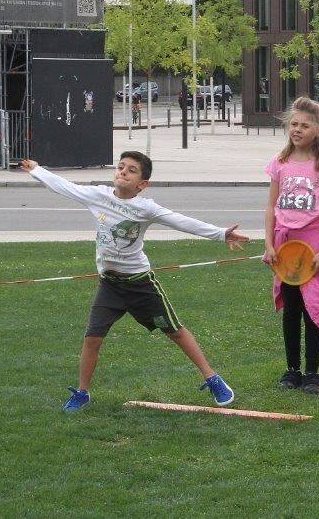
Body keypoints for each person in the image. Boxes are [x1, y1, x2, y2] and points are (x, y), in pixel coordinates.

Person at [19, 152, 250, 412]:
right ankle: (82, 393)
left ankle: (213, 378)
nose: (123, 172)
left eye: (131, 170)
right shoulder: (98, 196)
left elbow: (180, 221)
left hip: (141, 285)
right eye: (120, 167)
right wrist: (37, 170)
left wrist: (220, 234)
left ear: (142, 184)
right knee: (92, 338)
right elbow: (65, 187)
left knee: (174, 331)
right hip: (110, 285)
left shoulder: (146, 208)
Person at [263, 97, 319, 395]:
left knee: (313, 309)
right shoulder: (279, 163)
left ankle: (312, 372)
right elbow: (271, 206)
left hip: (313, 249)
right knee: (292, 309)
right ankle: (292, 369)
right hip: (285, 249)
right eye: (293, 124)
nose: (297, 129)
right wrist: (269, 243)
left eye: (304, 125)